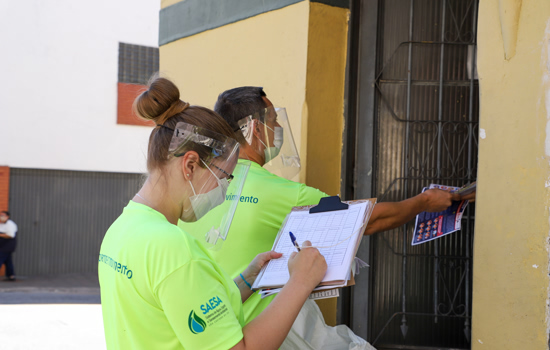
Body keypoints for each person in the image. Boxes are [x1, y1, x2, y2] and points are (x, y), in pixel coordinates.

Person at [180, 86, 476, 339]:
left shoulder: (198, 189)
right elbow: (365, 220)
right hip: (267, 331)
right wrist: (424, 202)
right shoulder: (281, 192)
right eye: (274, 120)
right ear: (256, 129)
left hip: (208, 331)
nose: (279, 128)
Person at [98, 77, 327, 350]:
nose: (223, 191)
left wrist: (246, 280)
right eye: (224, 177)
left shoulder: (122, 228)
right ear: (191, 165)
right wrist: (300, 282)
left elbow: (181, 309)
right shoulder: (174, 249)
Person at [0, 211, 18, 282]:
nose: (1, 217)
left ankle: (11, 275)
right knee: (8, 261)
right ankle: (11, 275)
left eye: (3, 215)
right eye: (0, 215)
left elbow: (10, 235)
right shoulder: (1, 224)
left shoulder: (10, 224)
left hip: (8, 245)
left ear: (7, 217)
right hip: (2, 245)